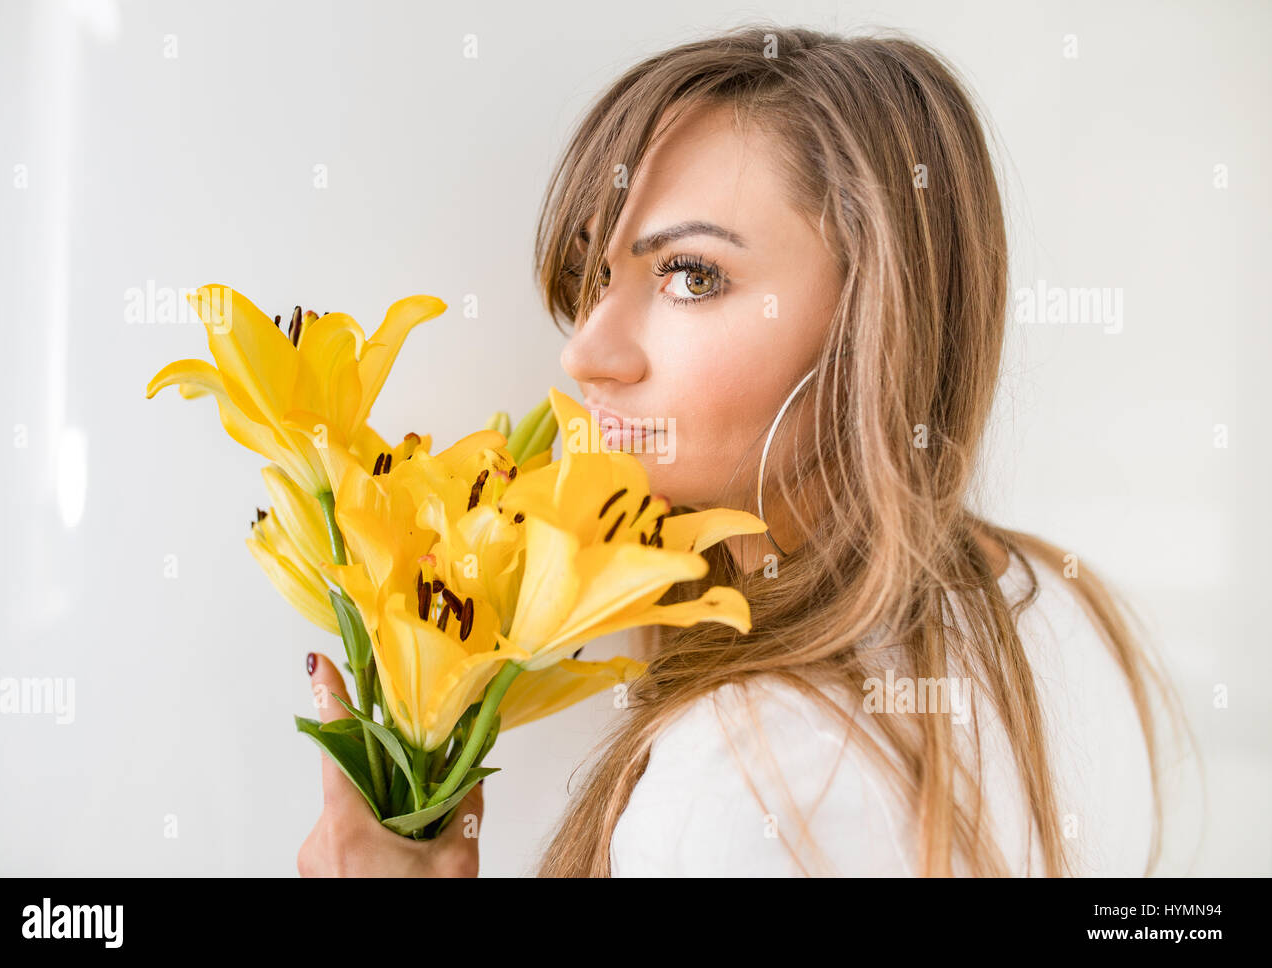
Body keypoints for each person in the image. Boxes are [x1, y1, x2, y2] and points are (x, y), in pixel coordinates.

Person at [298, 24, 1184, 878]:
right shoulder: (1059, 605)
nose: (585, 354)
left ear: (876, 321)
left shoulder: (737, 775)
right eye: (595, 278)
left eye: (691, 276)